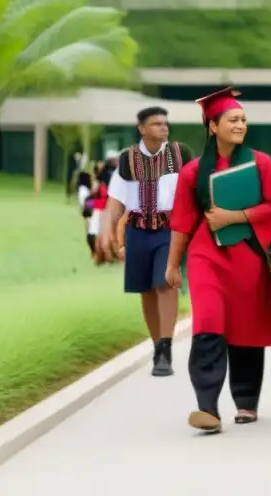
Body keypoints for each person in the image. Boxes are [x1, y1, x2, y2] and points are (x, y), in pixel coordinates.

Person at [164, 88, 271, 433]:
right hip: (206, 256)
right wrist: (173, 264)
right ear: (213, 126)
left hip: (247, 255)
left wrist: (235, 216)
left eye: (243, 120)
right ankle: (207, 407)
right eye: (233, 120)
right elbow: (182, 220)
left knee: (247, 327)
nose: (240, 125)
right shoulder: (193, 172)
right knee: (208, 324)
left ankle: (246, 402)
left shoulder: (259, 162)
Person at [96, 106, 195, 377]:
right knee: (147, 290)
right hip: (137, 231)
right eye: (156, 124)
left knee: (165, 283)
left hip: (169, 230)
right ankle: (156, 346)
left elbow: (193, 189)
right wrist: (107, 230)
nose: (163, 128)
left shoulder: (180, 154)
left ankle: (166, 347)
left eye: (165, 123)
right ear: (142, 128)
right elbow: (115, 200)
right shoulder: (128, 159)